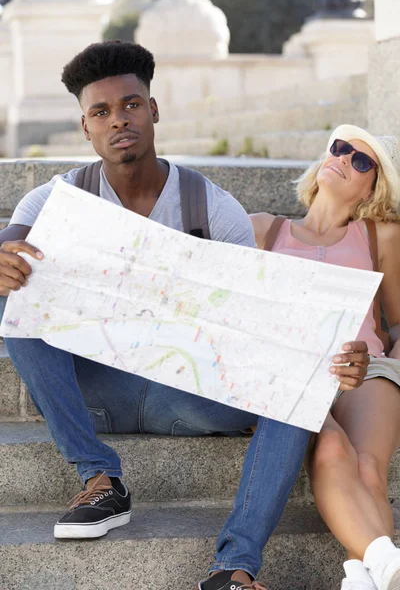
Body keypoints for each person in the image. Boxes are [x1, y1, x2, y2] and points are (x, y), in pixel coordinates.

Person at [0, 42, 368, 590]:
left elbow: (260, 329)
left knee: (302, 382)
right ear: (85, 127)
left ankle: (234, 568)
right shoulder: (55, 199)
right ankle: (99, 477)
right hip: (95, 391)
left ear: (154, 110)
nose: (118, 120)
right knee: (14, 285)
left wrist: (337, 359)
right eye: (101, 112)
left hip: (189, 392)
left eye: (130, 105)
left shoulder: (211, 207)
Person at [251, 125, 400, 590]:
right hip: (293, 374)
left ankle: (367, 573)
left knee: (370, 468)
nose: (344, 158)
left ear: (373, 187)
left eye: (361, 161)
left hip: (366, 367)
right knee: (333, 447)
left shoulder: (382, 236)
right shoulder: (262, 229)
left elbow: (397, 323)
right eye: (340, 148)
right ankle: (375, 566)